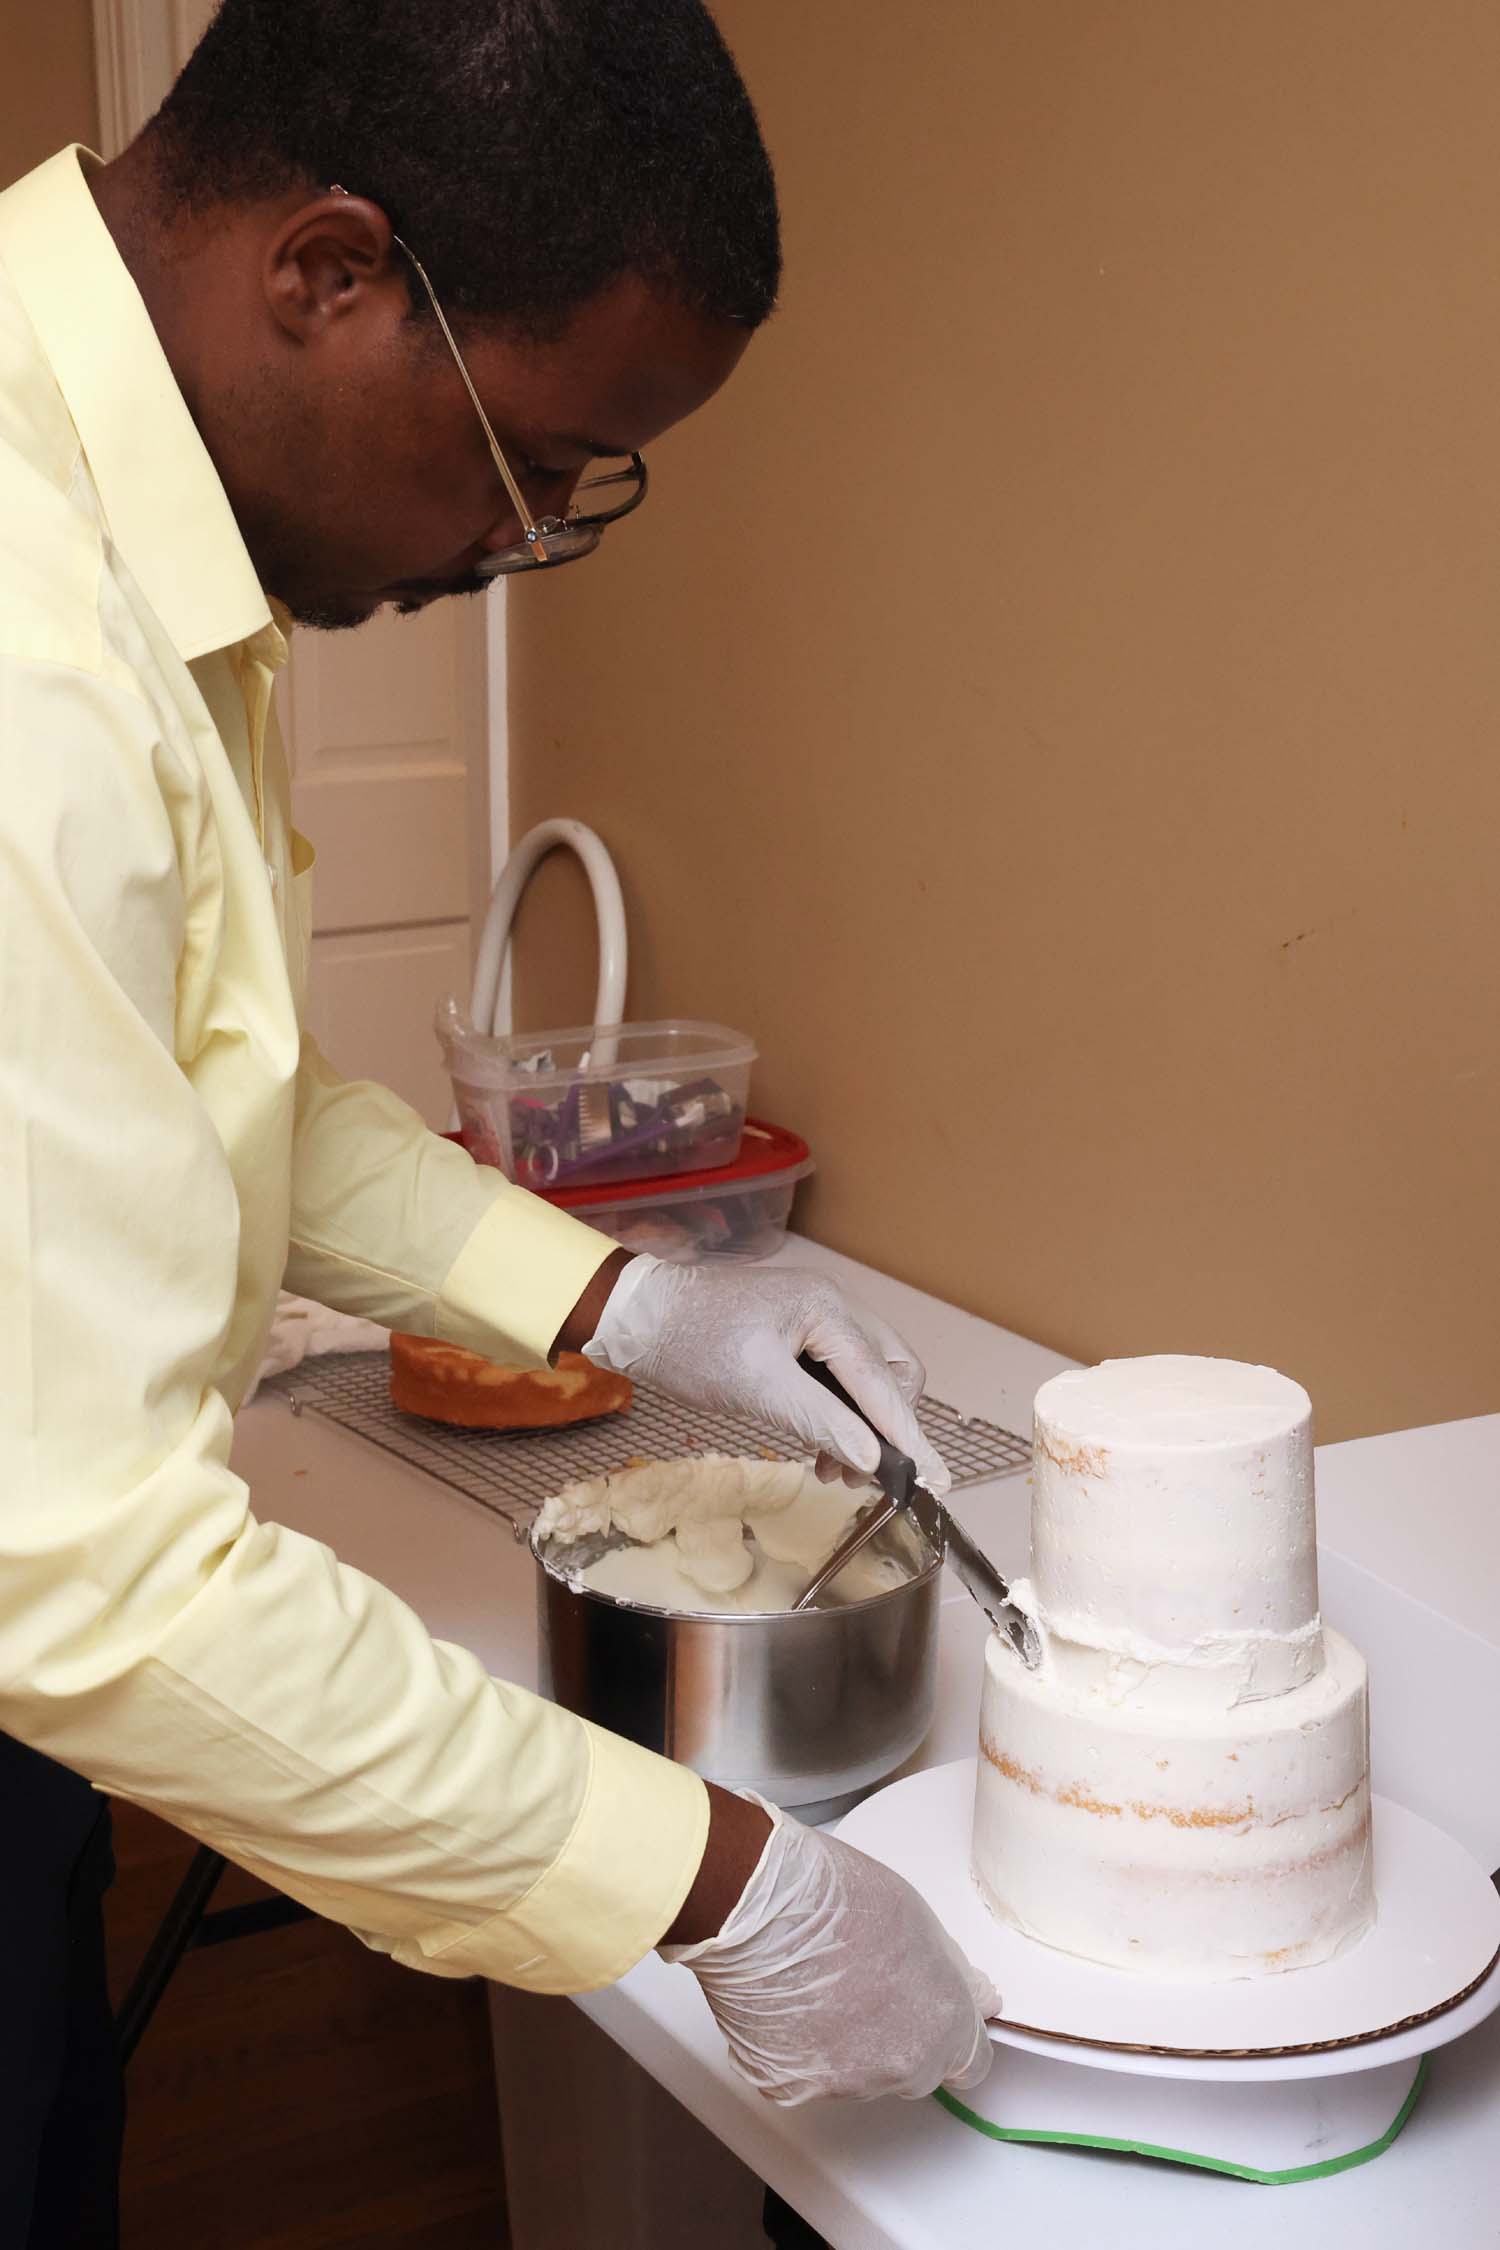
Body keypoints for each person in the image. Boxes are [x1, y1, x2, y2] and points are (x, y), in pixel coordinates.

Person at [0, 2, 994, 2238]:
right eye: (535, 459)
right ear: (332, 275)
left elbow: (213, 1076)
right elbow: (79, 1569)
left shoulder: (127, 511)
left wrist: (635, 1306)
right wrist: (730, 1885)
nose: (531, 539)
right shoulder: (27, 649)